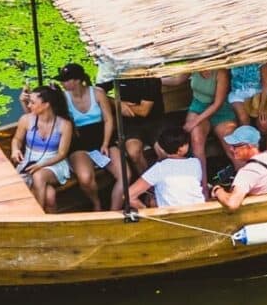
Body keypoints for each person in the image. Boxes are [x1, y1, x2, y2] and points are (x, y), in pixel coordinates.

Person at [57, 63, 125, 211]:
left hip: (102, 139)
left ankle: (113, 210)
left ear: (77, 80)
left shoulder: (98, 93)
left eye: (66, 80)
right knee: (86, 178)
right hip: (78, 143)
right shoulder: (62, 97)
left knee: (125, 175)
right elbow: (42, 113)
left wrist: (106, 143)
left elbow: (108, 120)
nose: (63, 83)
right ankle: (96, 203)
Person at [164, 70, 238, 198]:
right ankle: (202, 189)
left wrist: (195, 122)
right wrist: (154, 80)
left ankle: (243, 185)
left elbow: (217, 103)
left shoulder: (221, 73)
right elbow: (177, 80)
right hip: (199, 107)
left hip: (219, 109)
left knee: (231, 145)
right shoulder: (194, 65)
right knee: (196, 140)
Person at [11, 85, 74, 212]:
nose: (29, 106)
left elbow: (62, 154)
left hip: (53, 163)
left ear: (46, 105)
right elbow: (16, 140)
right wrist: (15, 149)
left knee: (39, 176)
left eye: (33, 103)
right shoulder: (26, 119)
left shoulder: (65, 125)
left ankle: (37, 216)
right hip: (30, 161)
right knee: (50, 197)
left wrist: (41, 165)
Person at [100, 76, 165, 177]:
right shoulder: (118, 72)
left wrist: (123, 106)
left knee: (163, 151)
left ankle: (164, 181)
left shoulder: (150, 77)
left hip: (155, 121)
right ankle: (147, 185)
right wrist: (117, 103)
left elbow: (144, 111)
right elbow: (98, 92)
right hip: (130, 124)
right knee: (133, 152)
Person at [211, 125, 267, 210]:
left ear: (249, 146)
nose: (231, 149)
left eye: (235, 146)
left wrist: (217, 190)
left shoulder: (247, 172)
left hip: (263, 219)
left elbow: (232, 204)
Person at [128, 126, 205, 209]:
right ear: (180, 149)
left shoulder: (159, 168)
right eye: (186, 143)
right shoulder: (195, 163)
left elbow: (128, 196)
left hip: (170, 217)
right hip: (198, 210)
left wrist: (147, 211)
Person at [229, 63, 267, 144]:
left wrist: (262, 106)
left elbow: (266, 82)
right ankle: (250, 147)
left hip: (259, 92)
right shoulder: (232, 56)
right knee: (243, 119)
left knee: (263, 122)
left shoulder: (260, 57)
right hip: (238, 93)